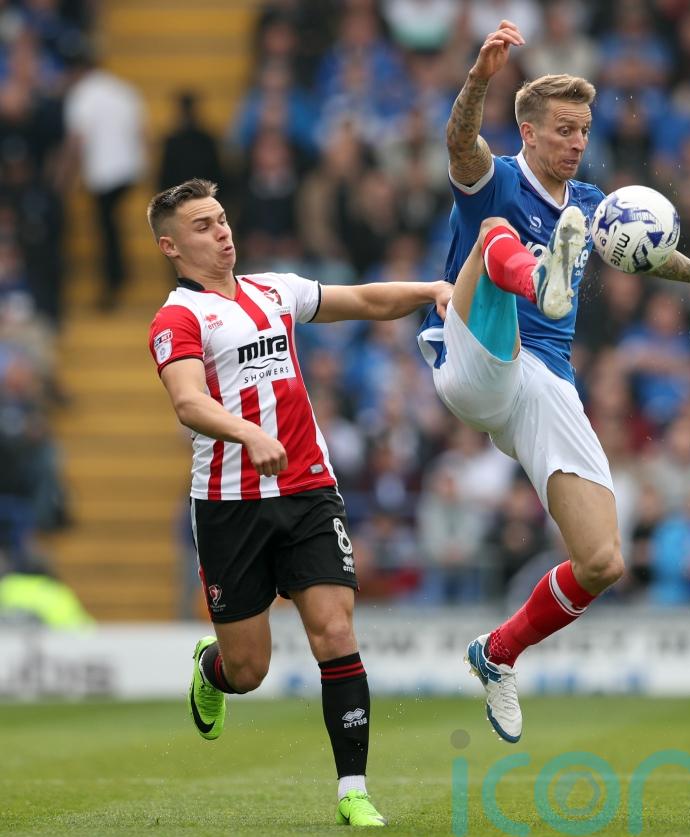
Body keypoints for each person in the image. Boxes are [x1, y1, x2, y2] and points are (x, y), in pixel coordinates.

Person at [417, 20, 690, 743]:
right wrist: (480, 78)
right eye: (565, 129)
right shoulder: (498, 177)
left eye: (584, 129)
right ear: (530, 130)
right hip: (475, 354)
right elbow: (458, 144)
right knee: (493, 234)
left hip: (544, 382)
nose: (577, 141)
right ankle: (534, 277)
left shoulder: (592, 203)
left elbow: (648, 253)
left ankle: (498, 651)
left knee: (602, 559)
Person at [146, 178, 451, 827]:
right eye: (203, 226)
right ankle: (213, 669)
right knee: (249, 668)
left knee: (335, 629)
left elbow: (362, 298)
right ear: (172, 246)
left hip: (309, 487)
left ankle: (353, 788)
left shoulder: (274, 289)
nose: (221, 230)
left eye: (222, 218)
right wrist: (248, 430)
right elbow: (188, 400)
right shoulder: (178, 317)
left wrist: (429, 291)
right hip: (231, 503)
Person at [63, 45, 146, 311]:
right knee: (112, 223)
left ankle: (114, 280)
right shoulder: (123, 89)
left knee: (106, 229)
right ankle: (120, 273)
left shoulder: (81, 94)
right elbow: (142, 131)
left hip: (103, 173)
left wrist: (66, 178)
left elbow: (78, 140)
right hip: (129, 170)